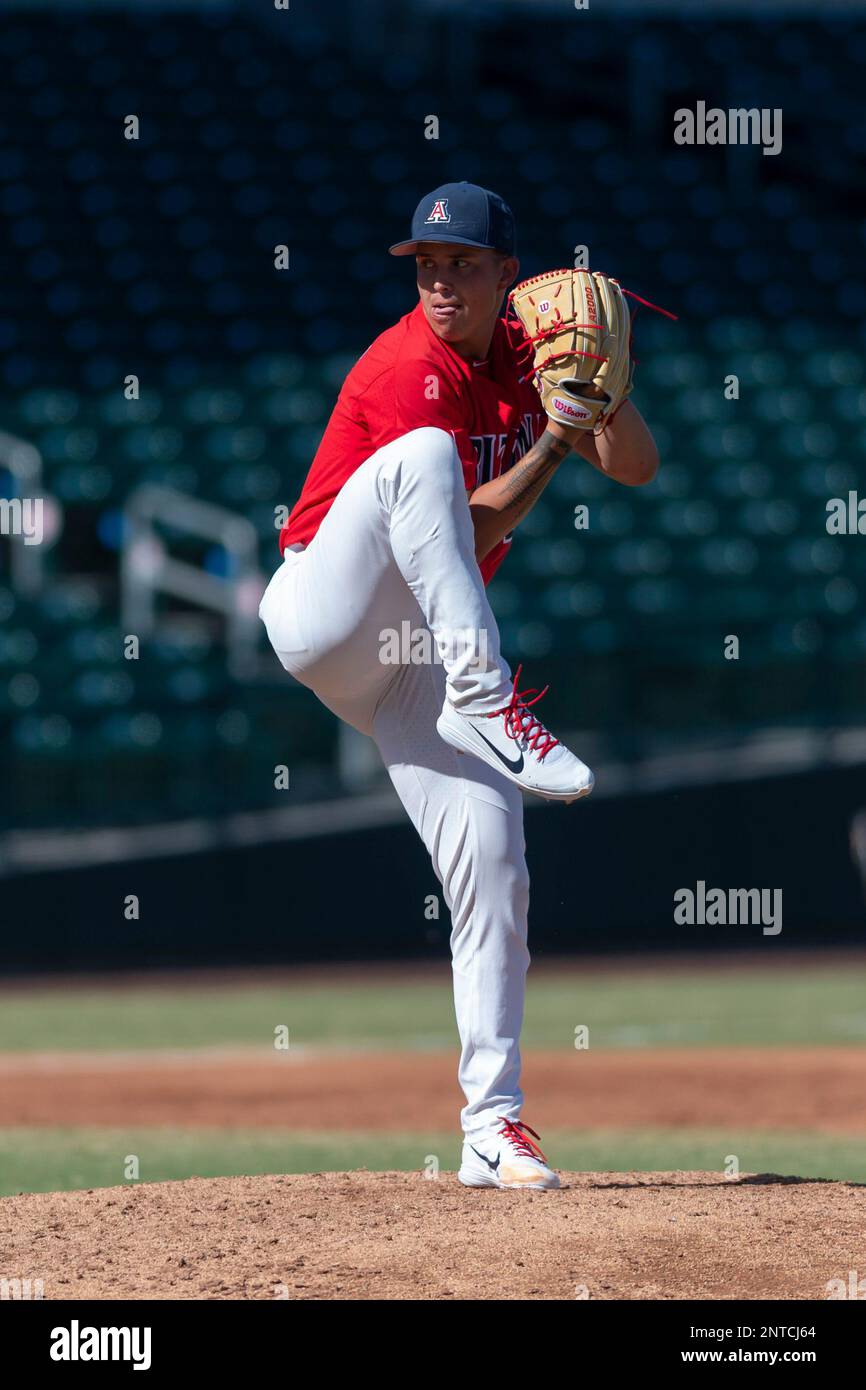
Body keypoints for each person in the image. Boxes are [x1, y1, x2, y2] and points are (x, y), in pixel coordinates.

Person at [259, 181, 659, 1189]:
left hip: (411, 657)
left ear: (502, 276)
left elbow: (639, 468)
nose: (438, 281)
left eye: (460, 266)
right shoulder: (407, 364)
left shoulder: (526, 355)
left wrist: (603, 394)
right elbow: (473, 525)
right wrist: (554, 441)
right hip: (324, 612)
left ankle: (492, 1125)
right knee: (426, 456)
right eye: (425, 266)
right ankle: (487, 698)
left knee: (494, 863)